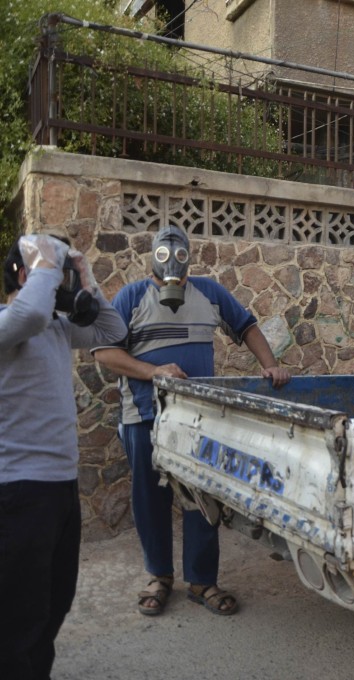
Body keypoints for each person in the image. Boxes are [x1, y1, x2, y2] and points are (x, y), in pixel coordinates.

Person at [92, 225, 290, 617]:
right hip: (144, 415)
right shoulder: (131, 297)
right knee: (150, 499)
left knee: (202, 497)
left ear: (189, 257)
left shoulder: (209, 293)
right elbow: (104, 352)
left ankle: (202, 581)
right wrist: (153, 372)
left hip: (199, 418)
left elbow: (247, 326)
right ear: (152, 257)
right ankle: (159, 577)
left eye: (179, 255)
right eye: (164, 255)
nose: (172, 262)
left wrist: (270, 365)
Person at [0, 234, 127, 680]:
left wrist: (87, 278)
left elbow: (113, 332)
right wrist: (45, 260)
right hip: (17, 493)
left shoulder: (57, 328)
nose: (62, 280)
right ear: (24, 274)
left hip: (60, 490)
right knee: (18, 616)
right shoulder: (6, 324)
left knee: (54, 603)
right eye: (55, 273)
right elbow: (30, 312)